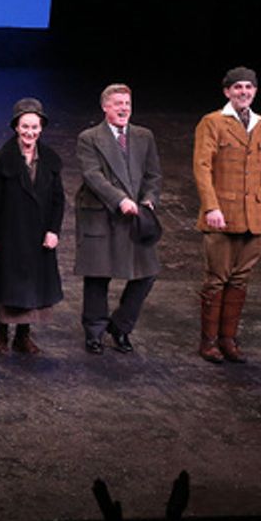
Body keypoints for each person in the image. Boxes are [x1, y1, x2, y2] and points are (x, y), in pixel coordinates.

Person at [192, 66, 261, 363]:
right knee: (216, 279)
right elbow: (202, 167)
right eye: (238, 87)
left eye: (249, 87)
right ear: (227, 91)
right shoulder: (213, 122)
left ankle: (228, 339)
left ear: (255, 91)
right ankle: (208, 342)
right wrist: (211, 206)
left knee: (240, 280)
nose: (244, 92)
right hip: (223, 213)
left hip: (254, 215)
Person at [74, 83, 163, 354]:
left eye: (127, 103)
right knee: (98, 276)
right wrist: (119, 199)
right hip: (103, 213)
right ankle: (95, 332)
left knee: (147, 274)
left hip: (136, 216)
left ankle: (121, 326)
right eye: (117, 104)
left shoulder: (143, 136)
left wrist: (148, 199)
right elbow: (93, 176)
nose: (124, 108)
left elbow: (153, 175)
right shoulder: (89, 138)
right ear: (105, 107)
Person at [0, 97, 64, 355]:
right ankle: (1, 335)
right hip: (9, 234)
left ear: (41, 128)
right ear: (16, 127)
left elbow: (58, 199)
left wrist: (53, 230)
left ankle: (23, 336)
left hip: (37, 235)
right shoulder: (3, 159)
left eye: (35, 127)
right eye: (25, 127)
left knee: (32, 288)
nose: (30, 132)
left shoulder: (49, 159)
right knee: (5, 285)